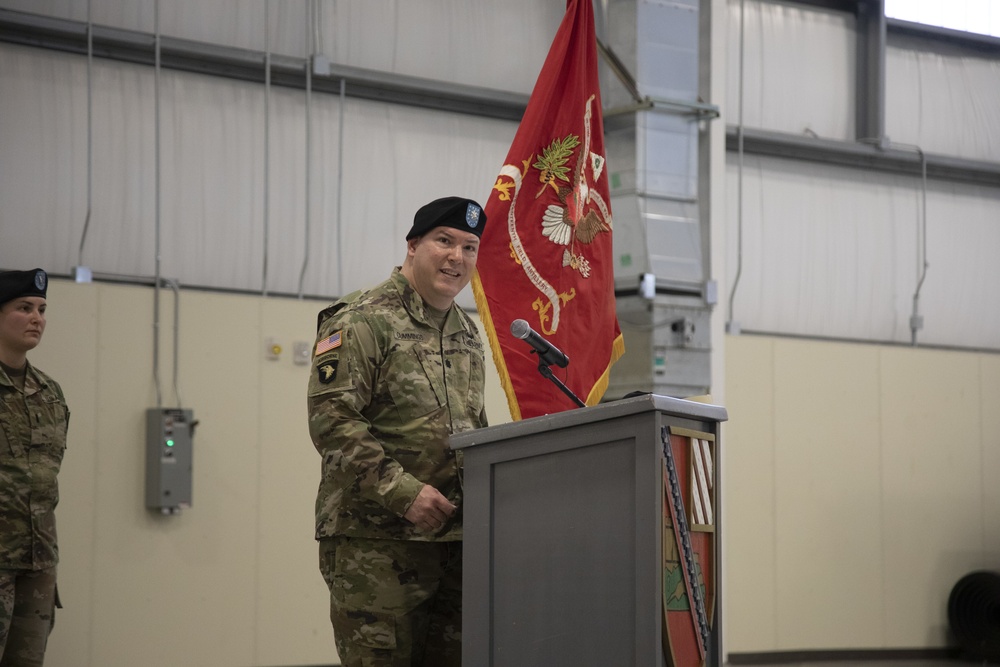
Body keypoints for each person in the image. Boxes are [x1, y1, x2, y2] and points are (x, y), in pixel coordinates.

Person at [307, 197, 489, 667]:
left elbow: (472, 426)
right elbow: (333, 421)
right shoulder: (362, 318)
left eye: (469, 247)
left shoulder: (467, 332)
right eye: (444, 241)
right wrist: (404, 493)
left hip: (455, 545)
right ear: (413, 246)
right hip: (378, 544)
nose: (457, 257)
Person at [0, 268, 69, 667]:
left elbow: (47, 478)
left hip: (38, 563)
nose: (37, 318)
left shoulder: (48, 392)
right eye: (23, 307)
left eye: (42, 309)